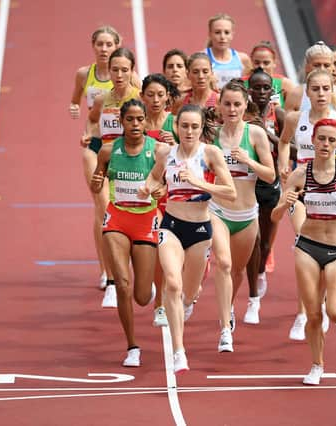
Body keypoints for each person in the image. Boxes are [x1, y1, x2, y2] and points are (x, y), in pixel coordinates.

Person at [271, 118, 336, 385]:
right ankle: (317, 364)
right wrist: (286, 204)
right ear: (312, 141)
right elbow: (274, 216)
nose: (326, 144)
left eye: (331, 140)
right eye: (321, 139)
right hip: (307, 246)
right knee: (313, 313)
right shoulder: (300, 174)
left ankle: (330, 297)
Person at [140, 104, 236, 373]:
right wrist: (148, 188)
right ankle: (178, 351)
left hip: (200, 229)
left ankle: (188, 303)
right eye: (184, 126)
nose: (189, 131)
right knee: (172, 282)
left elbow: (230, 192)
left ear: (201, 128)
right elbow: (155, 177)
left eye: (195, 126)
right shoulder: (166, 153)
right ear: (177, 127)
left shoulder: (211, 154)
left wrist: (199, 182)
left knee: (189, 293)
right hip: (170, 225)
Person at [277, 67, 336, 340]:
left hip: (331, 188)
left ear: (332, 91)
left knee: (325, 246)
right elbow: (283, 142)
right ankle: (304, 313)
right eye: (314, 89)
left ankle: (323, 300)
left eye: (325, 89)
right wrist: (283, 164)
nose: (320, 94)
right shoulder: (295, 118)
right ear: (307, 92)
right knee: (303, 240)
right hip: (303, 185)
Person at [90, 99, 162, 368]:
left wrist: (159, 191)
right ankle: (132, 346)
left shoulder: (158, 151)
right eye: (130, 119)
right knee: (122, 282)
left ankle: (149, 288)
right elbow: (97, 184)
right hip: (117, 220)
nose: (135, 124)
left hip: (145, 222)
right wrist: (96, 182)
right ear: (121, 121)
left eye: (140, 119)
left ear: (145, 121)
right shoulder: (108, 152)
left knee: (142, 297)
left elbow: (166, 187)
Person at [210, 79, 275, 352]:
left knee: (236, 270)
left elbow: (271, 176)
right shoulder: (211, 135)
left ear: (245, 104)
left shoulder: (256, 135)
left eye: (237, 104)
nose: (232, 109)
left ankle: (229, 309)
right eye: (227, 104)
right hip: (218, 211)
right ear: (219, 105)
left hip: (247, 214)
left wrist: (248, 161)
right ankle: (225, 328)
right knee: (223, 264)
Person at [85, 47, 141, 308]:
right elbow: (92, 122)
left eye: (124, 70)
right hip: (110, 162)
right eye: (115, 69)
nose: (118, 74)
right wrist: (89, 135)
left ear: (132, 71)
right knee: (106, 214)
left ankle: (144, 274)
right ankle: (111, 280)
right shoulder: (102, 100)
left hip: (136, 164)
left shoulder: (139, 97)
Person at [69, 26, 121, 292]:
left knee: (117, 207)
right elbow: (77, 101)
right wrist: (77, 114)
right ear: (93, 46)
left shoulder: (128, 77)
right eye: (99, 44)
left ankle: (122, 261)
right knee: (102, 204)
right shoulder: (84, 74)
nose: (104, 49)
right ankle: (106, 272)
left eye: (108, 44)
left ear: (116, 46)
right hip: (95, 145)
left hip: (121, 148)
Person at [242, 68, 285, 324]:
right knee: (254, 241)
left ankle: (259, 274)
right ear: (249, 90)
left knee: (266, 244)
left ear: (272, 91)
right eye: (256, 88)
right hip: (247, 184)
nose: (260, 92)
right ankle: (253, 299)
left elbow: (289, 149)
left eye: (265, 88)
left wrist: (266, 133)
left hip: (271, 184)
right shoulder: (242, 114)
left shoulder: (278, 115)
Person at [141, 73, 180, 326]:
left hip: (174, 194)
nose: (155, 100)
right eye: (150, 94)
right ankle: (159, 304)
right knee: (157, 245)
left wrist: (175, 143)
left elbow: (191, 154)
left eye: (160, 95)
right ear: (142, 96)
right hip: (147, 195)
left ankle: (169, 296)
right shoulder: (136, 122)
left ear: (168, 97)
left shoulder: (176, 123)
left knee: (175, 254)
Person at [205, 13, 252, 90]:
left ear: (232, 35)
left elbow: (249, 87)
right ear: (210, 34)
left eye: (226, 32)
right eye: (217, 32)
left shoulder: (243, 59)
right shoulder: (202, 58)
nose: (222, 37)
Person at [246, 40, 295, 108]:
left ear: (274, 62)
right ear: (251, 61)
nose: (261, 66)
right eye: (257, 63)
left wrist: (277, 109)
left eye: (266, 63)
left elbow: (293, 112)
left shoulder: (285, 84)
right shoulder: (241, 83)